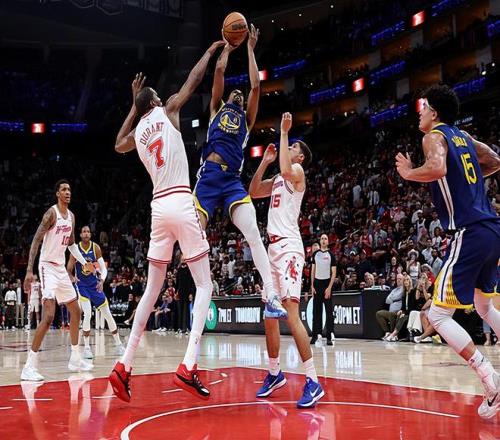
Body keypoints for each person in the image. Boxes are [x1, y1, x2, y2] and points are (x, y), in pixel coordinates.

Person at [109, 40, 225, 402]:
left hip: (158, 209)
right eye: (158, 97)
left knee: (151, 290)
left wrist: (133, 106)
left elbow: (117, 143)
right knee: (204, 285)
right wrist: (208, 53)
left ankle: (124, 366)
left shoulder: (137, 135)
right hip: (180, 198)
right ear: (157, 102)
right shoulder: (168, 110)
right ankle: (188, 364)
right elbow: (193, 81)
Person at [396, 84, 500, 419]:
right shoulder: (464, 137)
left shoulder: (433, 136)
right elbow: (494, 161)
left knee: (438, 315)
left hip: (469, 231)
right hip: (492, 228)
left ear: (435, 112)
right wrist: (467, 180)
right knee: (484, 305)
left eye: (424, 107)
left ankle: (491, 381)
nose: (420, 112)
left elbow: (437, 168)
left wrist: (409, 173)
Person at [193, 25, 287, 320]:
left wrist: (249, 48)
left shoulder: (246, 119)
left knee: (254, 233)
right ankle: (200, 292)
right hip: (209, 177)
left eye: (240, 95)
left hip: (232, 181)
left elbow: (256, 86)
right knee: (194, 234)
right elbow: (219, 72)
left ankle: (271, 294)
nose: (238, 94)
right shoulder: (216, 108)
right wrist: (226, 48)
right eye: (235, 92)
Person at [249, 112, 323, 408]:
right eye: (288, 145)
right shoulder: (279, 177)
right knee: (269, 315)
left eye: (293, 147)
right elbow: (254, 191)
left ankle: (313, 381)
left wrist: (283, 132)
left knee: (291, 314)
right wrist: (264, 162)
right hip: (272, 251)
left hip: (290, 248)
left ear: (300, 157)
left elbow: (285, 165)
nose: (289, 148)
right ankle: (274, 373)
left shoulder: (297, 172)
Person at [21, 180, 94, 381]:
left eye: (69, 189)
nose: (68, 192)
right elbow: (36, 240)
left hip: (61, 268)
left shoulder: (71, 217)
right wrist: (29, 270)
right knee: (49, 316)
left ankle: (75, 358)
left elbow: (71, 245)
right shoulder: (51, 214)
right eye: (64, 189)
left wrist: (84, 262)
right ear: (57, 194)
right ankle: (29, 366)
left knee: (76, 311)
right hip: (47, 267)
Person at [67, 226, 124, 359]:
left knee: (107, 314)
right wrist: (72, 278)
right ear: (80, 235)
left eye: (88, 231)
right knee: (87, 313)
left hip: (95, 286)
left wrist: (102, 281)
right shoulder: (75, 250)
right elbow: (68, 269)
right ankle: (87, 348)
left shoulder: (95, 248)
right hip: (82, 286)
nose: (86, 234)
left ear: (90, 234)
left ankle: (119, 344)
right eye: (84, 232)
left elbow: (103, 268)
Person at [310, 234, 337, 345]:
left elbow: (334, 273)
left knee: (329, 312)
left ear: (328, 241)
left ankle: (329, 336)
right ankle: (315, 335)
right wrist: (312, 286)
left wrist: (329, 288)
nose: (323, 240)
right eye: (322, 238)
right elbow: (313, 271)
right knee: (316, 312)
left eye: (325, 238)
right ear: (320, 241)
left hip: (326, 284)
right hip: (317, 284)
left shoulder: (331, 255)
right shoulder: (315, 254)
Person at [376, 273, 404, 340]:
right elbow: (387, 300)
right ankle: (387, 332)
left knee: (391, 315)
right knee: (379, 313)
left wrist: (392, 299)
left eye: (400, 279)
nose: (398, 280)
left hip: (398, 311)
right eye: (397, 279)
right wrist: (393, 299)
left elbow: (399, 296)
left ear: (403, 280)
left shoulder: (403, 289)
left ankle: (393, 334)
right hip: (390, 311)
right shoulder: (394, 290)